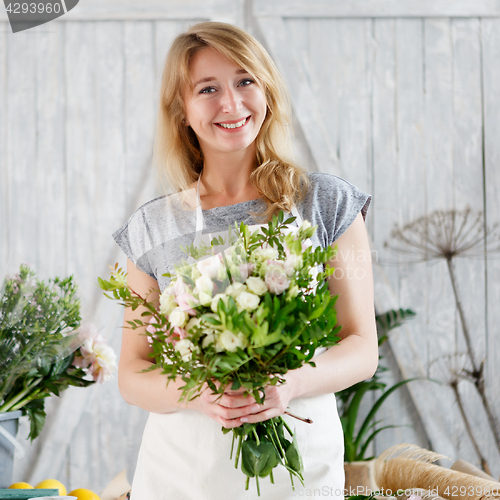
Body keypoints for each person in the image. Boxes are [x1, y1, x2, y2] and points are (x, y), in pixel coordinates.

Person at [113, 21, 378, 500]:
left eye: (245, 81)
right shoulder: (153, 227)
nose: (231, 103)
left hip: (301, 469)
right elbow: (133, 373)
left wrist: (290, 383)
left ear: (268, 92)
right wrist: (199, 394)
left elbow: (361, 346)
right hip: (182, 476)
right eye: (207, 88)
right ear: (182, 111)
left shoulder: (326, 203)